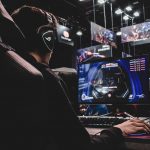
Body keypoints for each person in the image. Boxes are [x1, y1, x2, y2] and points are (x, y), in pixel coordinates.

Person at [10, 5, 150, 150]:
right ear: (48, 39)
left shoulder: (13, 75)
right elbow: (83, 146)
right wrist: (118, 130)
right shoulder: (44, 78)